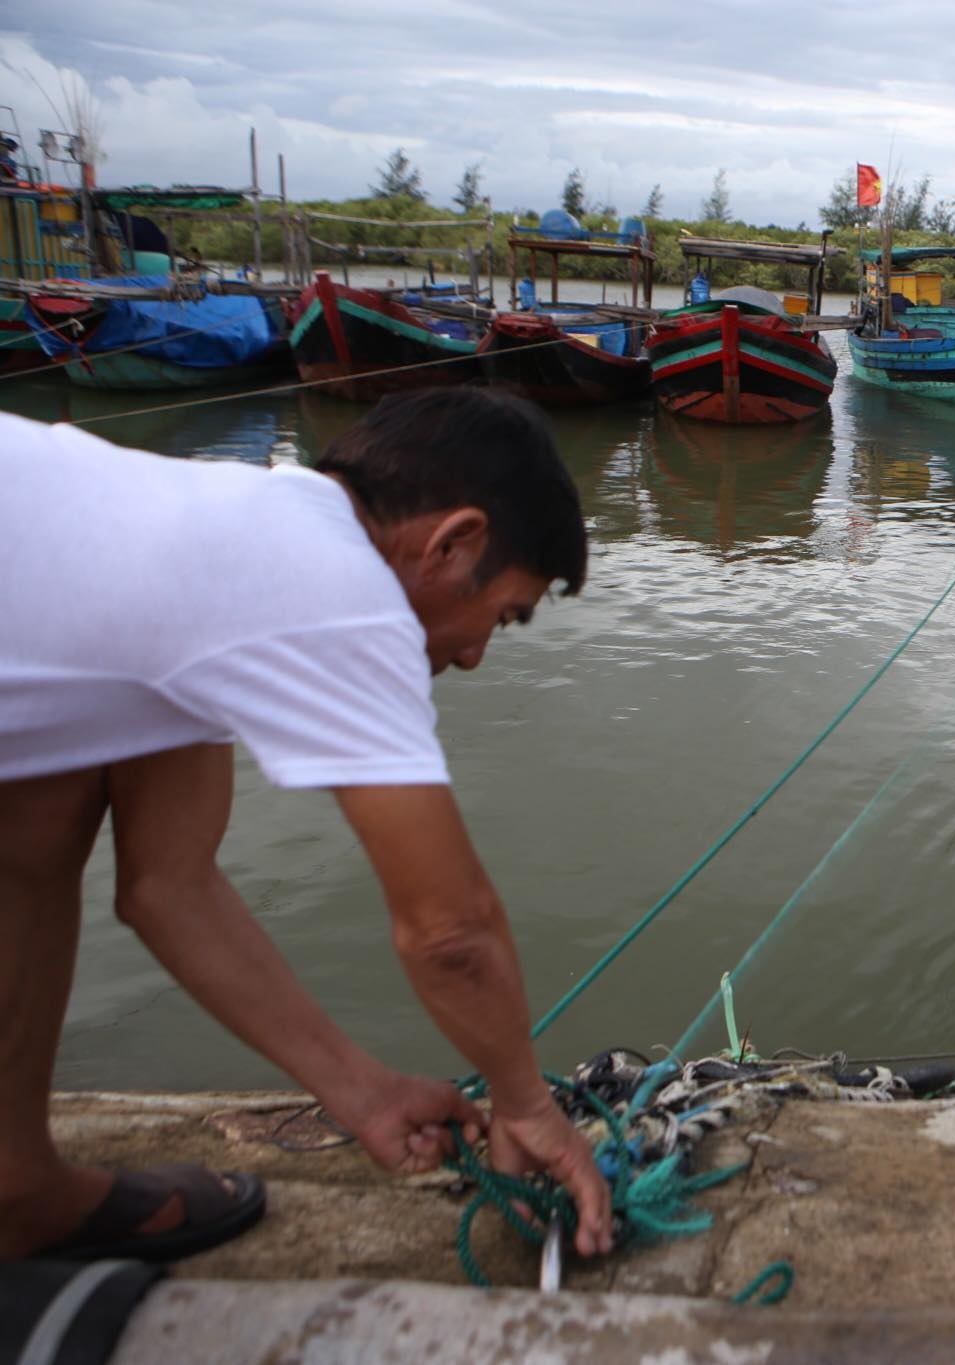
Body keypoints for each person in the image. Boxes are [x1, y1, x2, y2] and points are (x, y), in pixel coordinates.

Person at [0, 388, 613, 1263]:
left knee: (37, 808)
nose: (476, 653)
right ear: (453, 542)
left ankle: (13, 1184)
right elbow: (448, 930)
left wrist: (361, 1093)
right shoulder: (342, 591)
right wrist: (523, 1103)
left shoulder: (226, 544)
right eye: (504, 616)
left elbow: (168, 885)